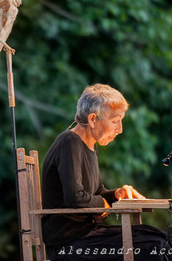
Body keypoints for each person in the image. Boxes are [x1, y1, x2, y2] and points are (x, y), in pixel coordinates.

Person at [42, 83, 171, 261]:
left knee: (159, 236)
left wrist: (116, 194)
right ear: (93, 119)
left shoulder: (90, 146)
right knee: (157, 248)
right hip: (69, 243)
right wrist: (103, 203)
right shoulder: (69, 141)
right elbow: (74, 197)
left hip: (87, 235)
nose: (120, 129)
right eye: (115, 121)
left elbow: (98, 192)